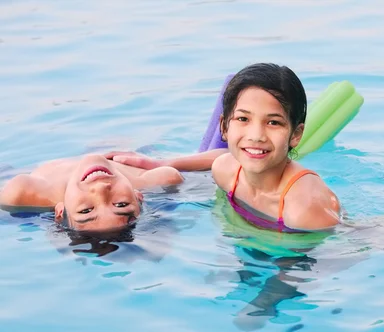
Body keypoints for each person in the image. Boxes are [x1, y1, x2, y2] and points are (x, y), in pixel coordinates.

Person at [106, 63, 341, 232]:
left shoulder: (302, 210)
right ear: (224, 127)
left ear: (296, 135)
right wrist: (164, 163)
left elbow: (318, 265)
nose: (256, 136)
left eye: (273, 122)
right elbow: (223, 157)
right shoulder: (226, 171)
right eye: (243, 119)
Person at [0, 153, 183, 231]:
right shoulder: (158, 180)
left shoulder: (24, 192)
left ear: (60, 211)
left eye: (86, 210)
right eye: (121, 204)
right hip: (113, 154)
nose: (101, 190)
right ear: (138, 196)